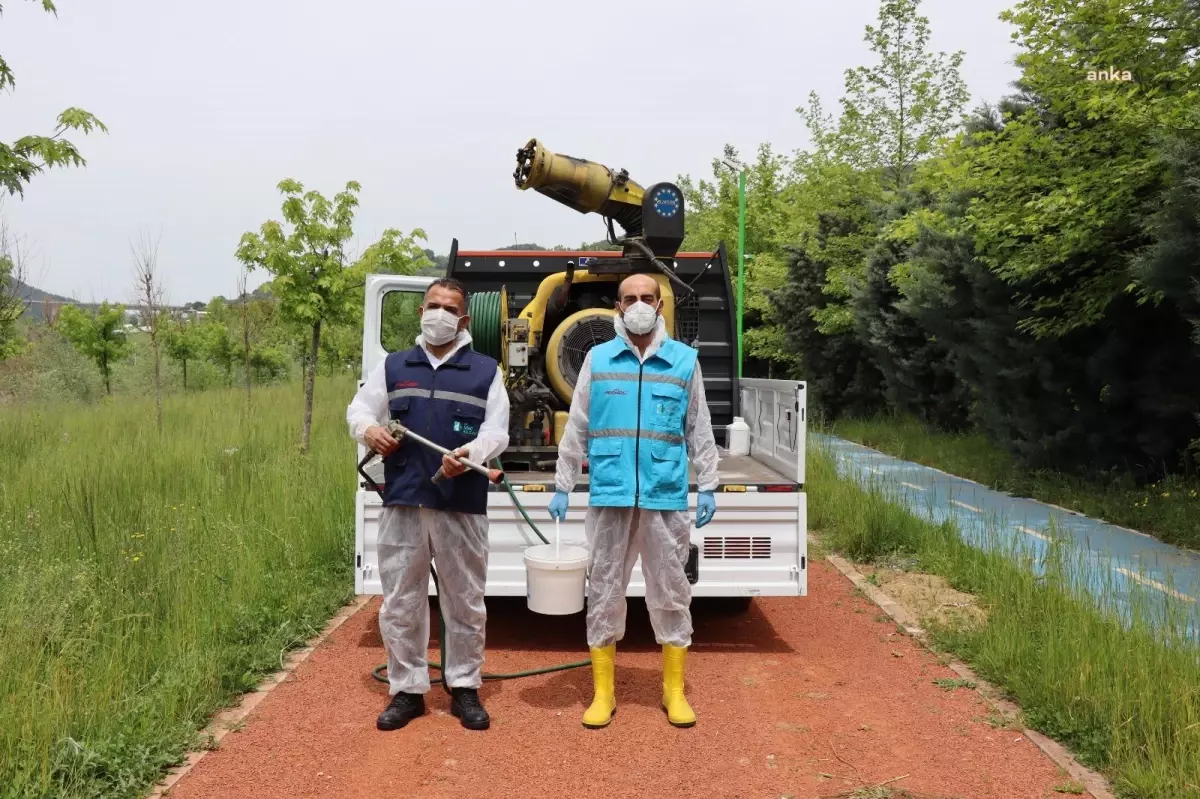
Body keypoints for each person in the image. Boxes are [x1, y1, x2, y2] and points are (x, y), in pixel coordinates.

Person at [549, 273, 719, 729]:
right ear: (618, 307)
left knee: (671, 591)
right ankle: (603, 693)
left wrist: (708, 482)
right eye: (630, 298)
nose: (639, 304)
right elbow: (578, 426)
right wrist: (563, 484)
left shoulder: (684, 361)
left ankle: (673, 691)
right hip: (610, 493)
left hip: (664, 494)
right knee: (604, 589)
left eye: (647, 297)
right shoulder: (598, 359)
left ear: (660, 306)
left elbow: (698, 426)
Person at [346, 278, 510, 732]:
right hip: (404, 501)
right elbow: (358, 409)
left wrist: (472, 454)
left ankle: (464, 687)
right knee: (401, 600)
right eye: (433, 305)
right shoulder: (394, 366)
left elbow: (498, 432)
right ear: (421, 312)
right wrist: (367, 430)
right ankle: (407, 690)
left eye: (450, 307)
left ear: (463, 319)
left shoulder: (485, 370)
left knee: (465, 601)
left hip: (461, 503)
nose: (440, 313)